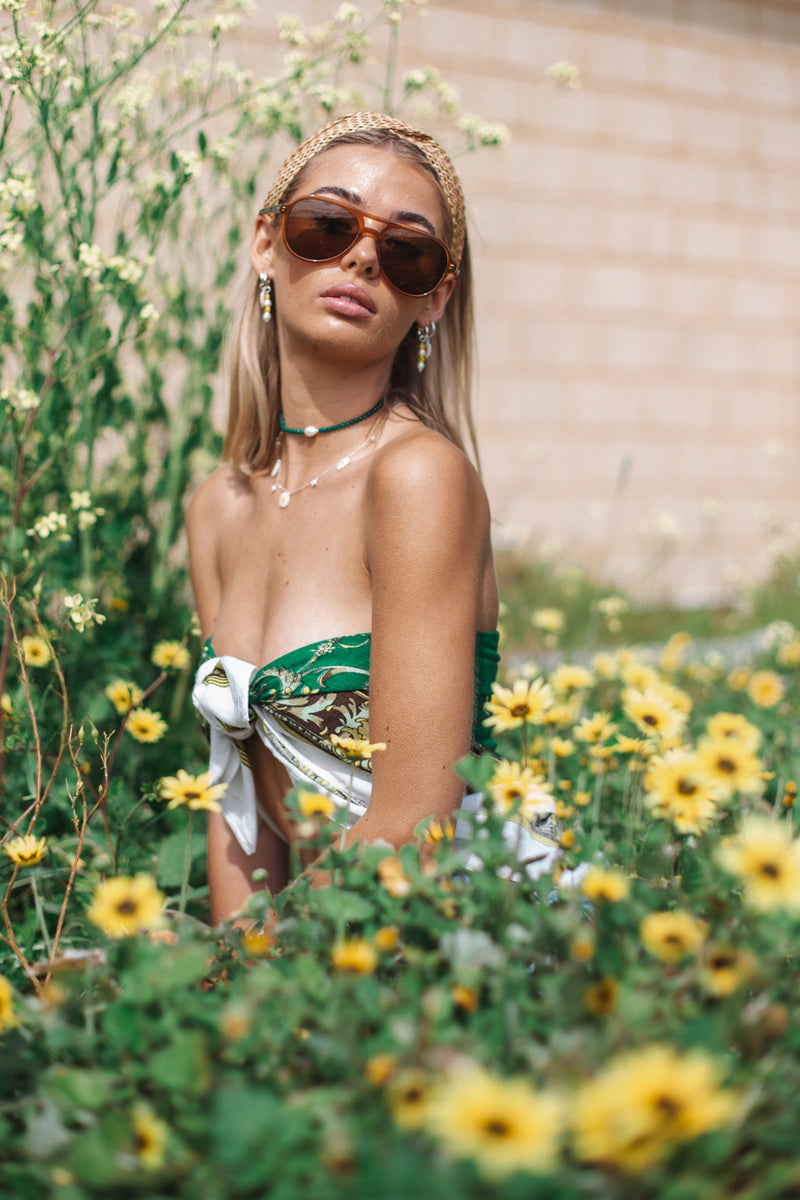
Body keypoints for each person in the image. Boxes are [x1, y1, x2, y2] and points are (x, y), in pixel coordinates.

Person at [187, 112, 500, 925]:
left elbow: (411, 830)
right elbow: (239, 808)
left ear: (435, 299)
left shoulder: (419, 478)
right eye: (325, 226)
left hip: (436, 952)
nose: (362, 255)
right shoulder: (217, 508)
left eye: (407, 252)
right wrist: (226, 990)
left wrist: (261, 990)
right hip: (306, 961)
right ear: (266, 244)